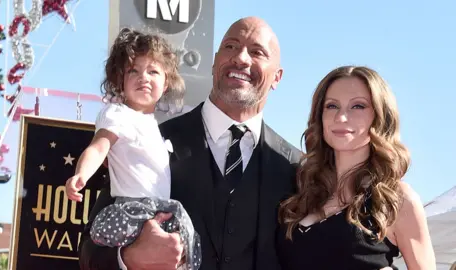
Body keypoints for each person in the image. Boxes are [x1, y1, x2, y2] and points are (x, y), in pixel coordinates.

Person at [78, 17, 303, 270]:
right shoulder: (150, 141)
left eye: (257, 52)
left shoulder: (296, 168)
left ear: (278, 77)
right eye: (231, 46)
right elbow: (90, 250)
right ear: (214, 62)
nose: (241, 58)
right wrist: (129, 258)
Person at [66, 28, 201, 270]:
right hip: (132, 211)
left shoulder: (155, 127)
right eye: (133, 71)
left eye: (153, 71)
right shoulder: (117, 114)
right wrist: (81, 175)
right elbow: (98, 148)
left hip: (160, 212)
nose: (144, 78)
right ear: (120, 79)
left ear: (166, 81)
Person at [277, 66, 436, 269]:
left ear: (380, 116)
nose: (341, 117)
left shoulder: (397, 200)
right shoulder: (301, 189)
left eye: (358, 106)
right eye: (332, 106)